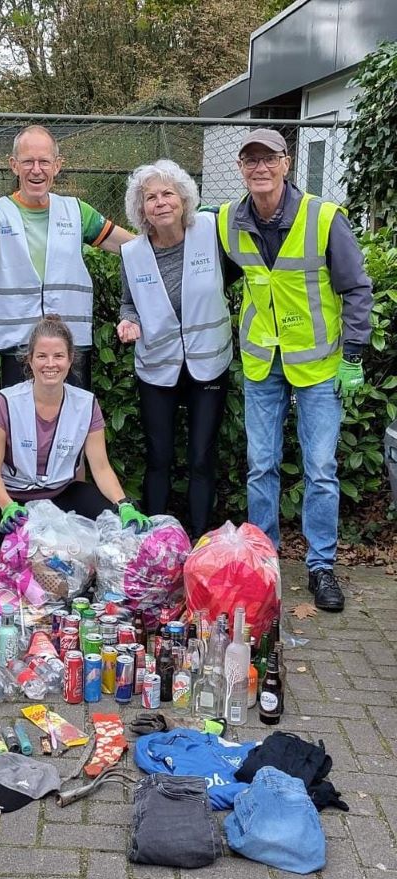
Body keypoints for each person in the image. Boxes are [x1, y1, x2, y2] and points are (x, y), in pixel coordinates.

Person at [218, 129, 373, 611]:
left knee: (321, 469)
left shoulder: (324, 219)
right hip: (263, 360)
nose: (259, 169)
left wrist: (352, 355)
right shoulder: (227, 220)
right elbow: (213, 277)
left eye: (269, 160)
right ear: (241, 168)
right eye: (250, 161)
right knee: (260, 465)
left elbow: (357, 288)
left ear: (287, 164)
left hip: (318, 363)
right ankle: (264, 564)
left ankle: (321, 566)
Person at [117, 159, 240, 541]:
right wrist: (127, 321)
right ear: (141, 210)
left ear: (184, 199)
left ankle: (201, 539)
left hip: (209, 361)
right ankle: (156, 542)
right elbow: (128, 302)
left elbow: (238, 272)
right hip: (157, 365)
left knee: (202, 456)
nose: (160, 202)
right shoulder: (133, 253)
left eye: (168, 193)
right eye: (150, 197)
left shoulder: (211, 232)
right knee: (160, 457)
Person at [0, 124, 134, 390]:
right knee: (19, 423)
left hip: (69, 345)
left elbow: (131, 246)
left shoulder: (77, 211)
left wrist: (179, 231)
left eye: (44, 161)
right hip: (18, 344)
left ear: (57, 165)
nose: (36, 169)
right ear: (14, 165)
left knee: (73, 421)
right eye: (28, 161)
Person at [0, 314, 150, 575]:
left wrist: (124, 504)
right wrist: (6, 506)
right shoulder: (4, 402)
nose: (50, 364)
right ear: (29, 359)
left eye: (58, 356)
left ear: (70, 360)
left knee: (112, 529)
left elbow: (100, 467)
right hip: (12, 497)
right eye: (42, 356)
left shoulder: (87, 404)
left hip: (62, 493)